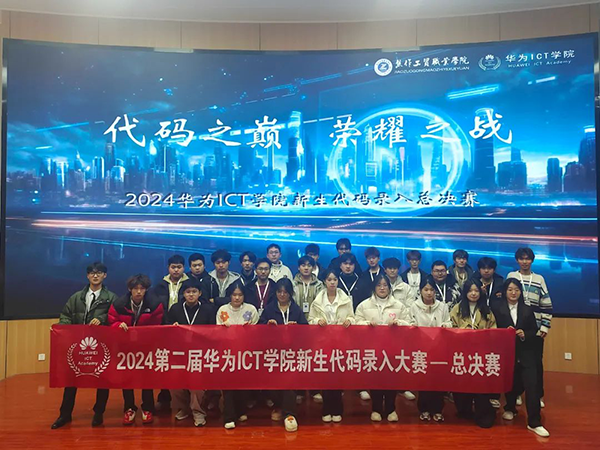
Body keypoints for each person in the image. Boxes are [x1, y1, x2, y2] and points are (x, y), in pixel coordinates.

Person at [51, 262, 117, 429]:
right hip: (78, 345)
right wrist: (64, 331)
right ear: (87, 276)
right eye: (92, 273)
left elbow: (115, 317)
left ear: (105, 275)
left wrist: (101, 319)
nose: (95, 276)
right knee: (71, 379)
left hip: (101, 346)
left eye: (99, 272)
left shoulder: (111, 298)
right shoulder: (76, 297)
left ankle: (99, 413)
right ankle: (64, 414)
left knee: (103, 380)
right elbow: (65, 316)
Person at [491, 278, 549, 438]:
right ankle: (510, 408)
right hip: (507, 352)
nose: (513, 293)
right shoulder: (496, 308)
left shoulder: (527, 309)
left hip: (526, 352)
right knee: (511, 383)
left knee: (532, 385)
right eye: (510, 289)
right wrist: (505, 332)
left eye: (516, 290)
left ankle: (534, 422)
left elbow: (533, 331)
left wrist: (524, 334)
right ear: (504, 291)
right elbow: (492, 329)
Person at [108, 274, 164, 425]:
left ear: (146, 290)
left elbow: (158, 324)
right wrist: (118, 325)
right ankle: (129, 408)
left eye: (142, 288)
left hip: (146, 347)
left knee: (146, 378)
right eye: (135, 288)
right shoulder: (119, 304)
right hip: (125, 347)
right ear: (129, 289)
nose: (139, 292)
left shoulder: (154, 304)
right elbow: (111, 320)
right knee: (127, 378)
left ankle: (148, 408)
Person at [356, 274, 411, 422]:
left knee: (391, 380)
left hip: (393, 349)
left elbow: (409, 323)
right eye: (379, 285)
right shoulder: (364, 305)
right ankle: (376, 409)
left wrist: (398, 323)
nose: (382, 288)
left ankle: (391, 409)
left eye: (385, 285)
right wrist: (367, 324)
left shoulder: (399, 305)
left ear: (389, 287)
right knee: (375, 380)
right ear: (374, 288)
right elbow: (356, 323)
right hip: (372, 350)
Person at [258, 278, 307, 432]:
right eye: (279, 292)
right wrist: (268, 326)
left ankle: (289, 414)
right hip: (274, 353)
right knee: (274, 383)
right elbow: (258, 328)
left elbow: (306, 330)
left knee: (289, 382)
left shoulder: (296, 310)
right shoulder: (269, 309)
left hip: (292, 354)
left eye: (285, 292)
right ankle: (278, 406)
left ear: (290, 293)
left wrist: (297, 328)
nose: (282, 295)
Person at [507, 247, 552, 409]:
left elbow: (546, 304)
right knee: (516, 364)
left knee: (536, 364)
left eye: (527, 259)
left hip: (535, 330)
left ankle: (537, 396)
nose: (524, 262)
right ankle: (517, 393)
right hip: (516, 329)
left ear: (532, 260)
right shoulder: (512, 276)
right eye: (521, 258)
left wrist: (544, 327)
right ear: (517, 260)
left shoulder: (539, 279)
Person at [308, 269, 354, 423]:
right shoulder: (318, 300)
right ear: (324, 282)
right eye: (329, 280)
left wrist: (349, 321)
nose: (332, 282)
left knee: (338, 378)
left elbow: (352, 317)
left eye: (335, 279)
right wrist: (317, 321)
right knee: (326, 378)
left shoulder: (346, 299)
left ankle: (337, 409)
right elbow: (310, 319)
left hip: (341, 342)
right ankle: (326, 409)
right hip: (323, 343)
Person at [167, 280, 215, 427]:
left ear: (200, 293)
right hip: (180, 353)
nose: (191, 295)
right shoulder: (175, 309)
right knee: (174, 383)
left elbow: (214, 331)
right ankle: (184, 408)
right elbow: (166, 329)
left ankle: (198, 411)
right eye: (188, 292)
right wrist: (173, 327)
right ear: (183, 294)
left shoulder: (208, 309)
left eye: (194, 291)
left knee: (196, 385)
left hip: (201, 354)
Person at [450, 278, 496, 428]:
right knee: (462, 382)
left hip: (480, 353)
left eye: (476, 290)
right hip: (461, 352)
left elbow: (493, 330)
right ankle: (464, 410)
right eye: (470, 291)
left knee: (480, 384)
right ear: (465, 292)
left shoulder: (486, 310)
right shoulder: (457, 308)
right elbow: (450, 328)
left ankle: (483, 413)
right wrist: (462, 331)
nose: (474, 293)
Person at [216, 280, 259, 429]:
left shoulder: (251, 309)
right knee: (228, 386)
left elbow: (258, 331)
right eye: (234, 295)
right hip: (227, 354)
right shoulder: (222, 310)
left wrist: (250, 329)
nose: (237, 298)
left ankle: (241, 410)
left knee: (243, 386)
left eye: (240, 295)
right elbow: (216, 332)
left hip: (246, 354)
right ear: (230, 295)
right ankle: (229, 416)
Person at [409, 277, 452, 422]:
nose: (429, 293)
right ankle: (424, 409)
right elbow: (410, 322)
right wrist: (413, 326)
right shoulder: (414, 306)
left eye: (431, 290)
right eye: (426, 289)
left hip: (439, 348)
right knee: (423, 380)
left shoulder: (442, 306)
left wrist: (446, 326)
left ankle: (438, 410)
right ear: (420, 291)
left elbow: (448, 322)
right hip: (421, 349)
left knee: (438, 380)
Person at [382, 257, 415, 401]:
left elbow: (409, 307)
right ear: (385, 270)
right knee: (384, 360)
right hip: (384, 329)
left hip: (400, 328)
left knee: (401, 359)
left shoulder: (405, 287)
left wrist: (399, 320)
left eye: (394, 268)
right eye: (389, 268)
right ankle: (383, 388)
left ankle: (403, 388)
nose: (392, 271)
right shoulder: (380, 285)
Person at [292, 255, 324, 320]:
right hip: (296, 319)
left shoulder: (319, 285)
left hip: (315, 320)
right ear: (298, 268)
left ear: (313, 268)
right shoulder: (293, 284)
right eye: (303, 265)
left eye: (309, 266)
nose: (306, 268)